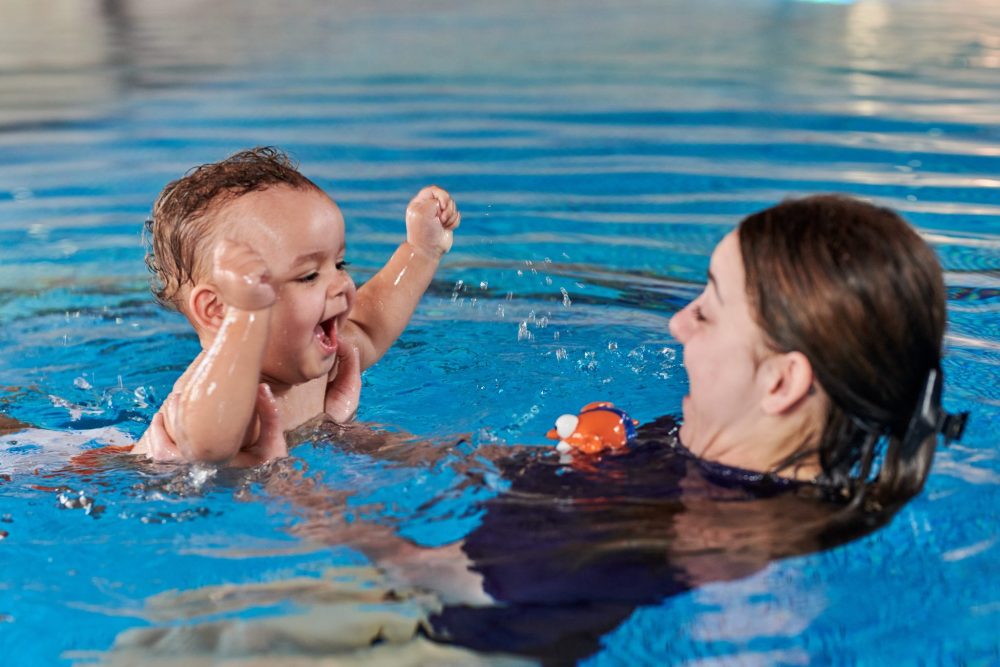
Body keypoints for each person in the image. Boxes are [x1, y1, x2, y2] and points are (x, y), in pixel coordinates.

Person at [279, 194, 968, 664]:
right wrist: (345, 438)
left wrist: (315, 507)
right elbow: (514, 467)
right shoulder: (704, 445)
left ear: (782, 381)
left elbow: (447, 579)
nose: (678, 321)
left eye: (709, 309)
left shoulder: (728, 553)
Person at [131, 147, 461, 465]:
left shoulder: (307, 356)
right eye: (308, 276)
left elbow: (368, 328)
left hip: (305, 464)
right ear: (219, 310)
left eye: (340, 264)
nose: (341, 284)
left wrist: (420, 252)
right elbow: (208, 445)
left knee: (458, 460)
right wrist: (245, 317)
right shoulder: (226, 395)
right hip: (206, 504)